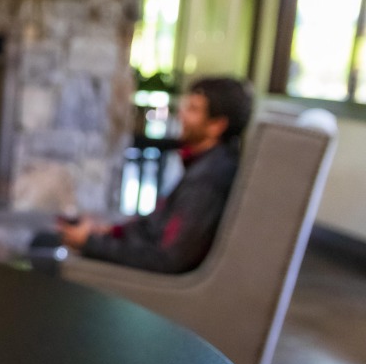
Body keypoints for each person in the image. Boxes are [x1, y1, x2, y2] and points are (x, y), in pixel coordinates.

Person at [57, 76, 253, 274]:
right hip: (147, 264)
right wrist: (111, 231)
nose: (181, 114)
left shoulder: (208, 180)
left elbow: (168, 259)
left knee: (48, 253)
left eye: (193, 109)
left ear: (217, 125)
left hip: (154, 287)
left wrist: (89, 243)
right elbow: (158, 227)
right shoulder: (208, 165)